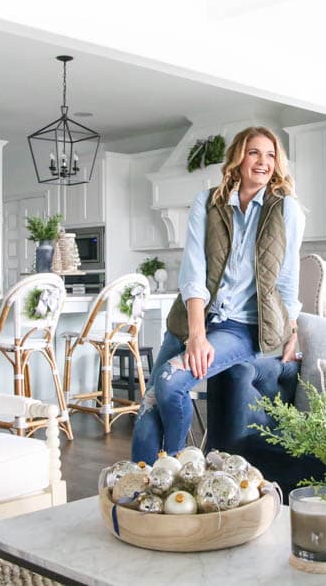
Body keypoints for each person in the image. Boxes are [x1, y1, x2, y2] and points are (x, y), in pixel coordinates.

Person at [131, 126, 305, 462]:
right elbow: (193, 272)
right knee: (148, 409)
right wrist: (196, 334)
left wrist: (292, 330)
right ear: (239, 159)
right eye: (254, 152)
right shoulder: (208, 202)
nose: (263, 162)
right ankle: (136, 495)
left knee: (170, 381)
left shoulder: (286, 210)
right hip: (191, 320)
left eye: (270, 155)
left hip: (242, 327)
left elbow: (287, 278)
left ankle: (177, 469)